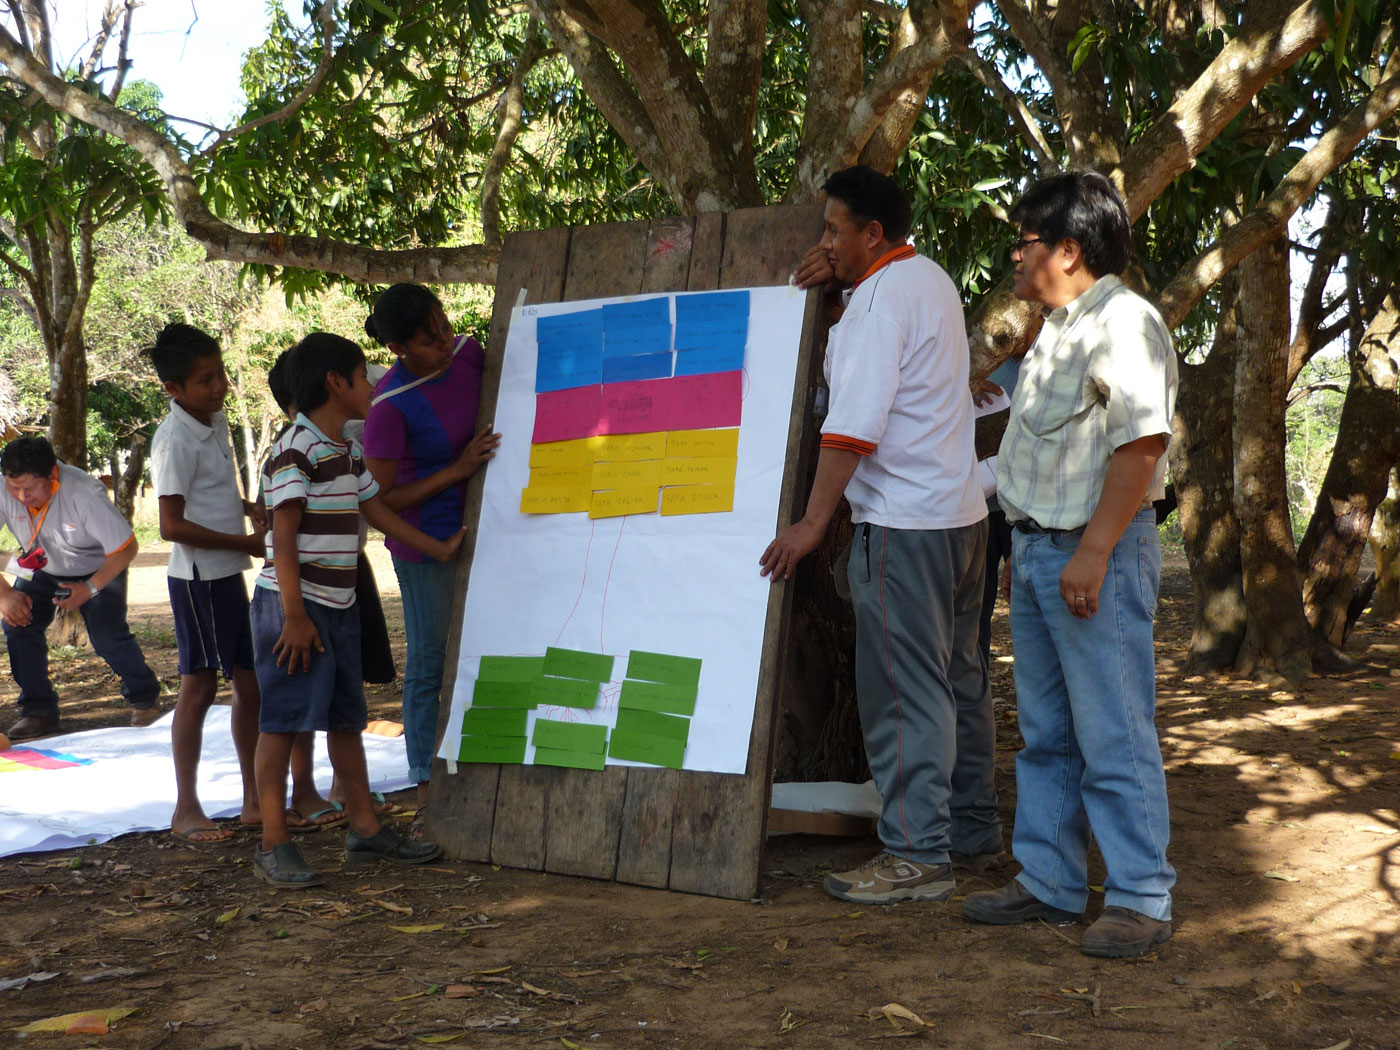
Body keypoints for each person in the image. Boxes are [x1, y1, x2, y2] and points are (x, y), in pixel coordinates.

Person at [763, 165, 1001, 904]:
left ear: (872, 233)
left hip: (903, 525)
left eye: (835, 230)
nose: (824, 243)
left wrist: (811, 523)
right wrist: (840, 298)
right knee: (958, 680)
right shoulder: (928, 279)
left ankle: (916, 855)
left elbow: (851, 430)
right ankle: (970, 828)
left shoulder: (875, 303)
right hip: (960, 517)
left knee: (904, 693)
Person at [962, 171, 1179, 958]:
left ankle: (1140, 896)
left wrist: (1091, 552)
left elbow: (1141, 445)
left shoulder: (1126, 323)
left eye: (1024, 242)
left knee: (1114, 730)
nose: (1015, 258)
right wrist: (1029, 547)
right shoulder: (1056, 329)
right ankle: (1050, 880)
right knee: (1048, 731)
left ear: (1068, 249)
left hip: (1095, 555)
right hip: (1038, 550)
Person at [251, 333, 461, 887]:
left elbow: (376, 509)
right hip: (295, 610)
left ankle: (365, 829)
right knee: (282, 723)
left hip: (337, 606)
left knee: (347, 718)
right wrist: (295, 617)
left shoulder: (344, 449)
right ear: (335, 382)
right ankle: (273, 841)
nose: (371, 386)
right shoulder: (295, 449)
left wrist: (438, 549)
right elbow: (283, 539)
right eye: (364, 376)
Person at [362, 284, 500, 834]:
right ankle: (426, 790)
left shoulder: (469, 353)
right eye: (429, 339)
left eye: (445, 326)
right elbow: (378, 501)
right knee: (430, 663)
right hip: (427, 548)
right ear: (398, 349)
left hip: (491, 533)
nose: (445, 342)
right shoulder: (389, 406)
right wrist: (457, 471)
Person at [149, 323, 273, 842]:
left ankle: (254, 799)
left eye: (220, 374)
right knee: (198, 687)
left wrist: (246, 507)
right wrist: (244, 542)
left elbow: (211, 490)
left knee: (250, 683)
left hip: (226, 575)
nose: (219, 386)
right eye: (205, 380)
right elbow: (170, 525)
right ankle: (186, 808)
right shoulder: (174, 439)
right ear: (173, 389)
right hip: (198, 579)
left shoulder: (213, 419)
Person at [0, 436, 161, 740]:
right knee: (18, 625)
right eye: (13, 488)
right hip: (42, 567)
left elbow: (126, 549)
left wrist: (90, 588)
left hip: (98, 568)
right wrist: (5, 595)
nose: (21, 497)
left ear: (52, 473)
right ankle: (38, 712)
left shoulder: (84, 492)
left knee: (108, 637)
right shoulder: (2, 488)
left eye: (30, 488)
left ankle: (144, 698)